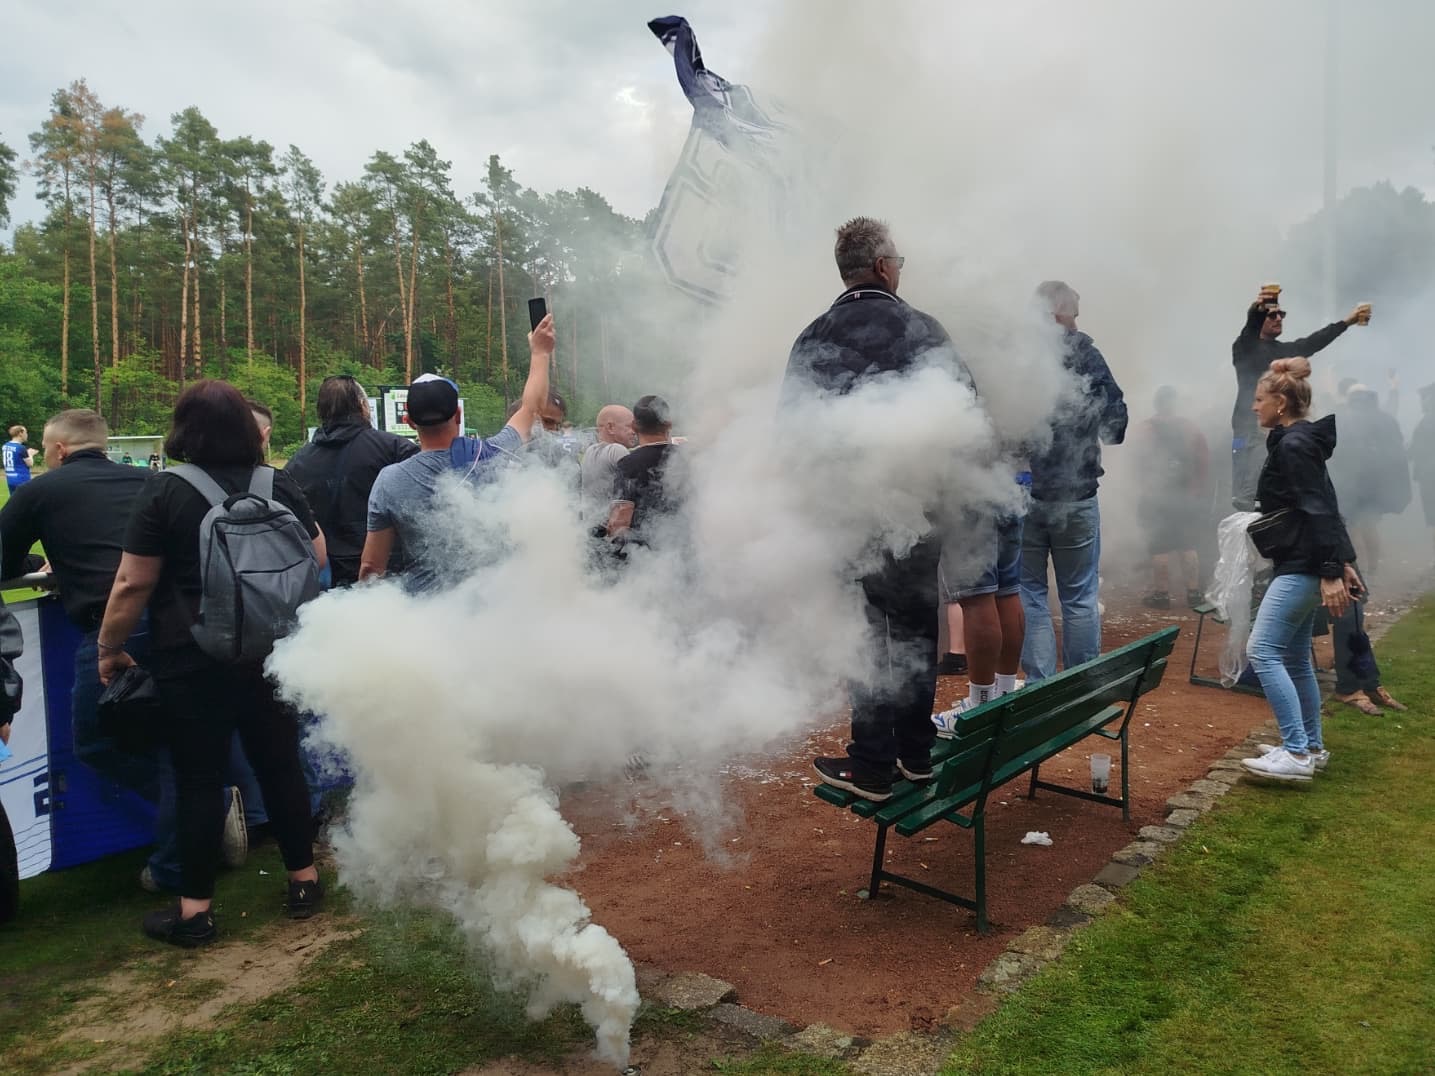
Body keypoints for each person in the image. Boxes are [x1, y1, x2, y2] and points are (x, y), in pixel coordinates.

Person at [98, 380, 327, 947]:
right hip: (274, 651)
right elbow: (316, 555)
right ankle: (304, 882)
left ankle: (195, 912)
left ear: (184, 429)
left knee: (200, 780)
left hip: (192, 657)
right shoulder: (278, 482)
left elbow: (132, 582)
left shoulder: (165, 490)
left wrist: (108, 648)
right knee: (280, 765)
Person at [0, 409, 248, 894]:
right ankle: (199, 820)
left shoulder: (40, 491)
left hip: (117, 629)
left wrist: (38, 562)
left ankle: (194, 833)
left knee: (96, 743)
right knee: (179, 743)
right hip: (188, 621)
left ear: (58, 450)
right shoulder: (147, 481)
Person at [784, 216, 974, 802]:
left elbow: (791, 435)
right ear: (884, 267)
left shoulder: (813, 336)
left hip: (849, 516)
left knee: (867, 635)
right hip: (919, 512)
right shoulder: (923, 328)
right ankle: (915, 754)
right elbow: (968, 412)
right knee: (917, 630)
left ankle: (872, 763)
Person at [361, 315, 555, 589]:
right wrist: (540, 352)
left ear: (409, 421)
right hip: (497, 609)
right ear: (458, 414)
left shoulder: (389, 480)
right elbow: (531, 408)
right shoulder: (494, 454)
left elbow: (371, 568)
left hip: (426, 616)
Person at [1240, 359, 1360, 783]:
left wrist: (1332, 570)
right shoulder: (1296, 440)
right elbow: (1325, 501)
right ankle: (1310, 746)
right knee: (1293, 657)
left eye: (1259, 400)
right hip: (1307, 561)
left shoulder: (1294, 445)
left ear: (1282, 401)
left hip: (1304, 565)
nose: (1254, 408)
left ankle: (1295, 753)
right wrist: (1343, 561)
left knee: (1263, 650)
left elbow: (1318, 507)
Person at [1020, 281, 1127, 682]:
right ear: (1056, 313)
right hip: (1077, 493)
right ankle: (1080, 685)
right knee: (1079, 596)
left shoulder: (1015, 357)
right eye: (1073, 313)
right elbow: (1115, 424)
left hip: (1025, 492)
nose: (1077, 322)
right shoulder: (1086, 354)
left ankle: (1039, 685)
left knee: (1029, 593)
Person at [1230, 287, 1369, 509]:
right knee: (1247, 495)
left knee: (1272, 490)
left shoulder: (1284, 350)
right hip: (1248, 430)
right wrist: (1257, 310)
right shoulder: (1245, 347)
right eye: (1272, 315)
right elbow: (1250, 328)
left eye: (1281, 314)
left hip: (1274, 428)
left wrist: (1347, 322)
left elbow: (1312, 343)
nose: (1278, 318)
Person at [285, 375, 419, 588]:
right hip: (391, 576)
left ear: (320, 411)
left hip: (326, 581)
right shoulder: (394, 449)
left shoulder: (297, 463)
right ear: (362, 405)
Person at [1134, 386, 1212, 609]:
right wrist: (1196, 490)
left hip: (1156, 497)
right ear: (1174, 403)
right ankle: (1194, 593)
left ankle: (1161, 595)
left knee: (1159, 547)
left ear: (1156, 403)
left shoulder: (1144, 430)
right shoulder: (1190, 428)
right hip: (1185, 496)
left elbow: (1135, 462)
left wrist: (1145, 488)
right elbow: (1203, 461)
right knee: (1188, 544)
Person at [1327, 383, 1410, 579]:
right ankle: (1371, 570)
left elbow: (1336, 451)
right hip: (1375, 484)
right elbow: (1397, 453)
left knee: (1352, 526)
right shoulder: (1386, 419)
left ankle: (1359, 571)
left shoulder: (1344, 419)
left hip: (1350, 483)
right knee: (1369, 524)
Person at [605, 396, 685, 545]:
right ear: (669, 424)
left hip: (647, 556)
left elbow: (620, 522)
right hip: (688, 549)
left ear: (634, 426)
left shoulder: (628, 464)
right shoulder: (690, 459)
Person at [581, 404, 635, 521]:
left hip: (590, 524)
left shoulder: (589, 451)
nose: (634, 432)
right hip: (610, 526)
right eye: (629, 426)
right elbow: (631, 491)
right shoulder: (617, 450)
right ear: (610, 427)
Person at [1411, 382, 1435, 564]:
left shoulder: (1428, 421)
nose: (1421, 402)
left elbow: (1416, 450)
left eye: (1423, 398)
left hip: (1430, 476)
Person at [4, 426, 38, 493]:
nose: (27, 435)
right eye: (26, 432)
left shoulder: (5, 446)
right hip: (21, 479)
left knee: (14, 500)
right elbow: (30, 464)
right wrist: (31, 454)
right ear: (20, 433)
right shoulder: (21, 448)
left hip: (10, 478)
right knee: (26, 501)